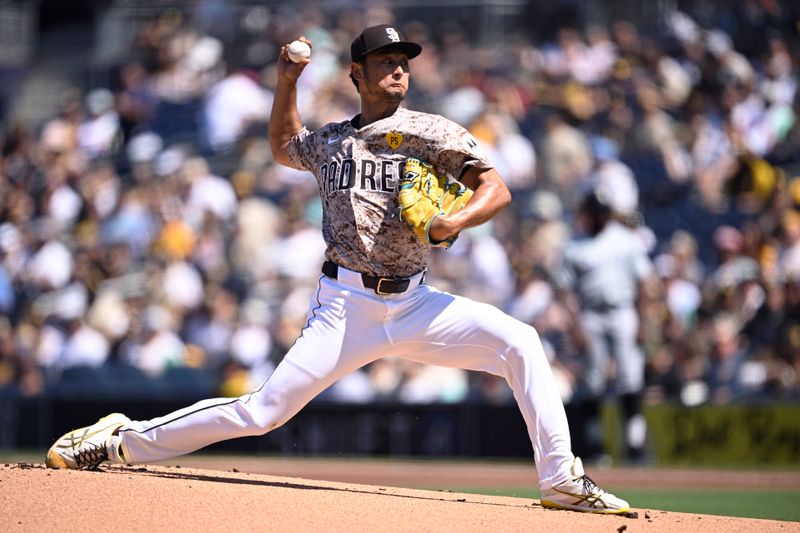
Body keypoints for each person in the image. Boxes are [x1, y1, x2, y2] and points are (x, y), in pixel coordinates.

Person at [46, 24, 630, 514]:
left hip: (416, 303)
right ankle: (119, 442)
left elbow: (495, 189)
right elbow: (282, 146)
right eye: (386, 62)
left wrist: (455, 222)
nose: (399, 71)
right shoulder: (330, 142)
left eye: (404, 63)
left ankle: (560, 480)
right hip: (345, 307)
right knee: (263, 412)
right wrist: (287, 81)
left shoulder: (431, 131)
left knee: (520, 341)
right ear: (357, 72)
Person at [556, 180, 657, 464]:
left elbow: (646, 283)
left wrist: (645, 321)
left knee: (630, 377)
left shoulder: (625, 239)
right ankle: (595, 446)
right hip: (591, 315)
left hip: (623, 311)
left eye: (599, 211)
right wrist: (575, 325)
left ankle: (634, 447)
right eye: (592, 211)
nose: (595, 216)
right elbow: (564, 291)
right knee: (594, 381)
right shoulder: (575, 244)